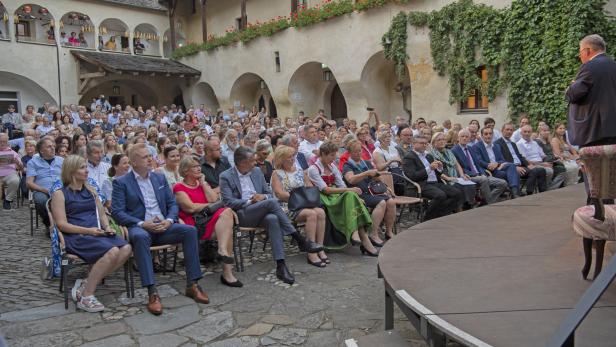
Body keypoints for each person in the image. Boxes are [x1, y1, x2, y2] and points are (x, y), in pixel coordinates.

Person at [111, 143, 209, 316]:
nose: (150, 159)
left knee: (190, 231)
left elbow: (172, 203)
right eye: (145, 157)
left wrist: (170, 220)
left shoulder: (159, 178)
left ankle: (192, 284)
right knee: (140, 237)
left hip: (164, 227)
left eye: (150, 156)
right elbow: (117, 212)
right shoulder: (121, 182)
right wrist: (142, 223)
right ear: (134, 162)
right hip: (141, 227)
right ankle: (152, 292)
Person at [219, 146, 323, 285]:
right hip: (242, 214)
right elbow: (228, 202)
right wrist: (250, 200)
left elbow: (268, 193)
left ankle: (281, 266)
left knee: (273, 218)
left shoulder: (256, 171)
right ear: (242, 162)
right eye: (252, 161)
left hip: (263, 211)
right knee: (273, 203)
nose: (255, 163)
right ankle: (299, 238)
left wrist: (263, 196)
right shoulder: (226, 176)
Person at [50, 155, 131, 312]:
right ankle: (86, 296)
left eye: (86, 167)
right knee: (112, 251)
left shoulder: (91, 191)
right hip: (77, 236)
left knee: (126, 248)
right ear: (71, 171)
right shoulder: (60, 194)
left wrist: (107, 227)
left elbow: (101, 215)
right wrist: (89, 231)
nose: (87, 170)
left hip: (97, 233)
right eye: (82, 167)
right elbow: (61, 224)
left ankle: (87, 282)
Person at [173, 157, 242, 287]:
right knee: (227, 228)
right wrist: (208, 206)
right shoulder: (179, 187)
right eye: (194, 166)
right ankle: (227, 274)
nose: (199, 168)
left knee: (227, 214)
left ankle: (222, 253)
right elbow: (190, 207)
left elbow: (214, 199)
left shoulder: (202, 184)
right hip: (194, 223)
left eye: (199, 165)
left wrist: (204, 184)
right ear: (186, 170)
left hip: (208, 219)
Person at [307, 142, 376, 254]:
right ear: (323, 154)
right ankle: (363, 238)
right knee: (351, 193)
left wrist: (351, 193)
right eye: (331, 155)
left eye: (335, 155)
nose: (334, 158)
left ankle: (357, 234)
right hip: (324, 198)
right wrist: (349, 190)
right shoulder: (313, 169)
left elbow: (342, 185)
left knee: (351, 195)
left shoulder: (332, 166)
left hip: (336, 195)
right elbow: (325, 190)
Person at [271, 145, 328, 267]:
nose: (292, 159)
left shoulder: (299, 171)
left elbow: (309, 187)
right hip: (288, 206)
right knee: (311, 214)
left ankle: (320, 247)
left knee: (321, 212)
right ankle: (311, 251)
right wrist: (297, 197)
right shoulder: (277, 173)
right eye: (289, 157)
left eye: (293, 156)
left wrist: (305, 195)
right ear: (281, 159)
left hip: (304, 203)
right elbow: (279, 193)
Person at [566, 34, 616, 147]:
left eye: (580, 51)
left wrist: (571, 87)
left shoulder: (589, 66)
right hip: (613, 130)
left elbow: (574, 94)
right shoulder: (614, 65)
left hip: (594, 131)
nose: (580, 56)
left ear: (587, 50)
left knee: (594, 164)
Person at [342, 140, 396, 243]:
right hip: (359, 194)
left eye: (360, 150)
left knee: (391, 202)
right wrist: (366, 173)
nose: (358, 153)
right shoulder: (347, 165)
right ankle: (373, 233)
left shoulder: (366, 163)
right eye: (355, 151)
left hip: (372, 191)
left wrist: (383, 185)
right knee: (382, 202)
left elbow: (376, 178)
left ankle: (389, 231)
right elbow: (351, 179)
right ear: (350, 152)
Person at [402, 135, 462, 220]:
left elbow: (437, 173)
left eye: (426, 144)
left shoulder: (428, 156)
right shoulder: (409, 157)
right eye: (422, 143)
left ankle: (439, 215)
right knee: (440, 195)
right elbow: (412, 176)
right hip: (421, 184)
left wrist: (439, 167)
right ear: (414, 144)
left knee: (456, 193)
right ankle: (427, 218)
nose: (424, 145)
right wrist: (429, 168)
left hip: (434, 183)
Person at [452, 129, 507, 204]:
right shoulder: (454, 150)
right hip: (468, 176)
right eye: (462, 136)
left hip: (480, 174)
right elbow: (459, 168)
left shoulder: (471, 148)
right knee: (483, 179)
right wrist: (475, 175)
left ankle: (485, 202)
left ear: (469, 138)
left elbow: (477, 164)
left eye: (466, 137)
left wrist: (482, 173)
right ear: (458, 138)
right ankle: (490, 203)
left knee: (502, 183)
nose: (464, 138)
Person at [496, 123, 547, 195]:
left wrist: (528, 164)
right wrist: (514, 167)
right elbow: (500, 159)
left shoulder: (513, 144)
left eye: (511, 130)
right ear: (502, 130)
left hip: (521, 166)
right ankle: (528, 193)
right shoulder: (497, 143)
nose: (509, 131)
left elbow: (520, 156)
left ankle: (542, 193)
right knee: (534, 171)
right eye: (507, 129)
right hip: (510, 168)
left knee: (540, 170)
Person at [27, 138, 64, 233]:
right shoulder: (33, 162)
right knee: (40, 200)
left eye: (53, 146)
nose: (53, 148)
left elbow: (68, 176)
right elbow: (29, 183)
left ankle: (64, 224)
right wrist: (45, 190)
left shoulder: (61, 160)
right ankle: (49, 224)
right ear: (41, 150)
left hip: (61, 189)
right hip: (42, 190)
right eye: (49, 146)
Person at [429, 132, 476, 208]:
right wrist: (448, 178)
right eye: (439, 140)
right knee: (459, 187)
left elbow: (457, 165)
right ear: (434, 142)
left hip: (454, 176)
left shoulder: (449, 152)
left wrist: (462, 175)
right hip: (442, 179)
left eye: (444, 139)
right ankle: (458, 208)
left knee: (470, 184)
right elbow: (436, 171)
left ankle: (468, 205)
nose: (442, 141)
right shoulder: (431, 154)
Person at [517, 125, 565, 190]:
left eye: (529, 132)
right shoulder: (519, 144)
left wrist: (551, 160)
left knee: (562, 170)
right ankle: (545, 189)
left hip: (543, 163)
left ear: (531, 133)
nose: (527, 133)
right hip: (532, 165)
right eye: (525, 132)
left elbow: (543, 155)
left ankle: (549, 188)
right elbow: (525, 160)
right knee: (549, 171)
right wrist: (543, 164)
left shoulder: (534, 143)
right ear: (521, 133)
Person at [372, 130, 404, 196]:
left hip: (397, 173)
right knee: (402, 187)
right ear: (380, 139)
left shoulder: (393, 149)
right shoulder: (377, 152)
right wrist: (391, 161)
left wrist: (400, 161)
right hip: (387, 174)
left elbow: (400, 161)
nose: (388, 138)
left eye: (389, 136)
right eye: (385, 137)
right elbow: (380, 167)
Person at [0, 133, 23, 210]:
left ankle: (7, 200)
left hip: (9, 174)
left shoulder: (13, 152)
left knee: (15, 180)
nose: (2, 143)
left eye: (4, 141)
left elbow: (21, 168)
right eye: (0, 141)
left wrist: (17, 163)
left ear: (7, 142)